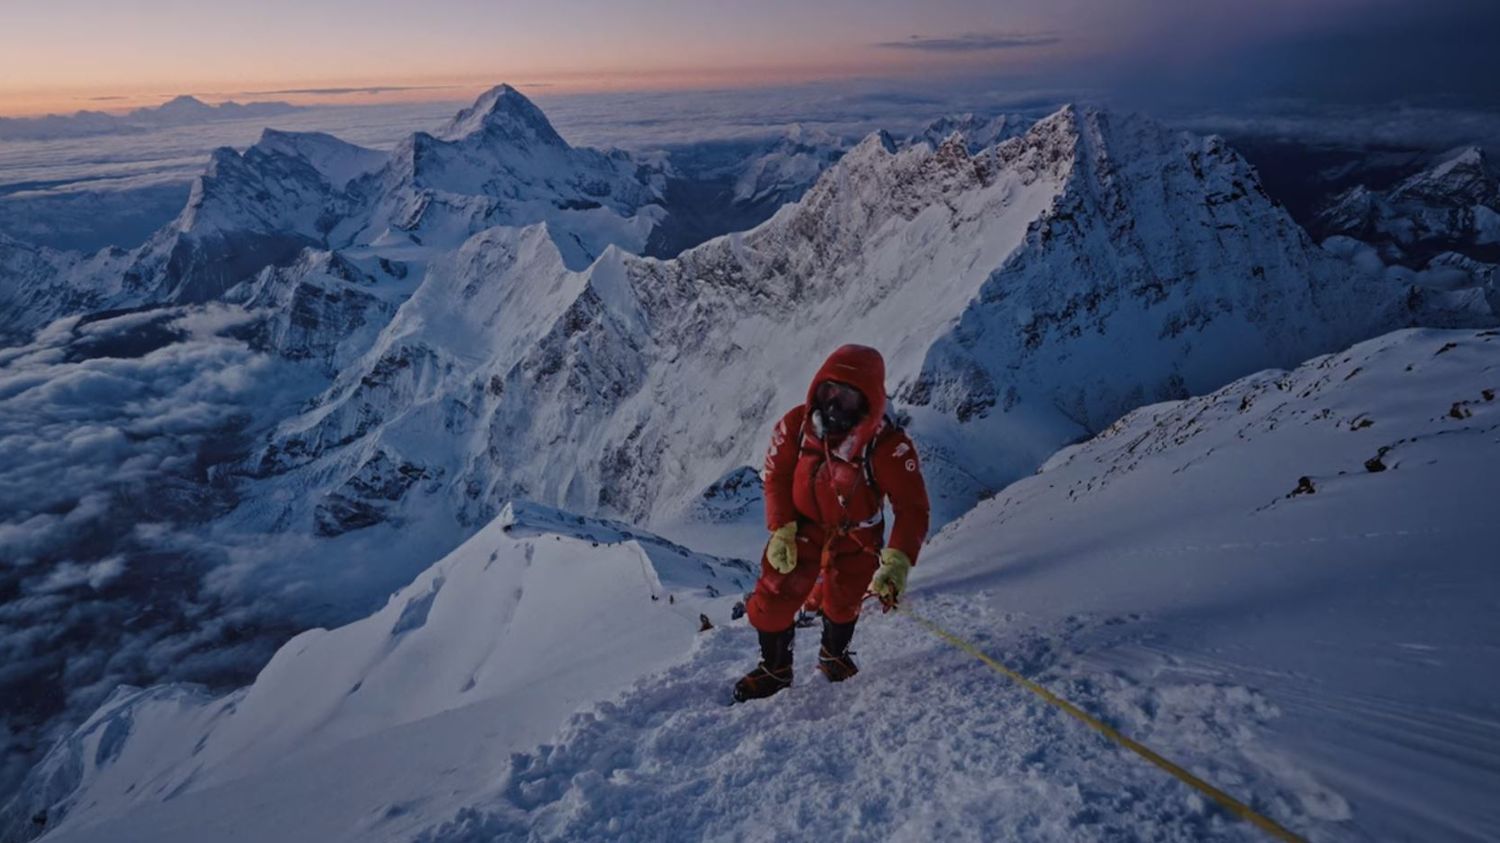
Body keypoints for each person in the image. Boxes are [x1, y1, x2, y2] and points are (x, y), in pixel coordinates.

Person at [734, 344, 930, 702]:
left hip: (858, 536)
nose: (834, 405)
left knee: (844, 599)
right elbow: (776, 474)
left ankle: (833, 655)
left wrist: (898, 561)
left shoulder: (887, 447)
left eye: (848, 398)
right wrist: (781, 526)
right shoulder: (796, 426)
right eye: (829, 392)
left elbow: (912, 507)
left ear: (869, 402)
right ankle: (775, 668)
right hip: (802, 528)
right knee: (774, 592)